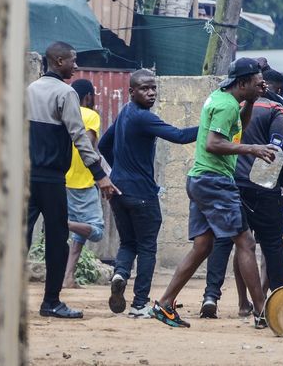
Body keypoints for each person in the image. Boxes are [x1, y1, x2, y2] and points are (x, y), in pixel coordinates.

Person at [151, 58, 276, 329]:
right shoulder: (224, 106)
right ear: (242, 83)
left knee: (203, 245)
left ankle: (165, 303)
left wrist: (252, 102)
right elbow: (213, 143)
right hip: (214, 181)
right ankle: (260, 311)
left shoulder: (226, 100)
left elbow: (237, 130)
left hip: (201, 180)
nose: (260, 87)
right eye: (256, 84)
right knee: (246, 243)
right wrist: (253, 149)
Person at [27, 41, 117, 319]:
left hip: (26, 177)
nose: (75, 66)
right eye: (72, 61)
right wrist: (101, 176)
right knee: (57, 241)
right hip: (53, 179)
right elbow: (80, 138)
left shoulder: (29, 90)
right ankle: (51, 302)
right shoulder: (66, 93)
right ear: (57, 61)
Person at [99, 69, 198, 318]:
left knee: (129, 242)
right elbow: (179, 136)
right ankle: (139, 304)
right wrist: (210, 125)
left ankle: (120, 274)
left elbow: (103, 145)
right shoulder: (143, 117)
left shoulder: (124, 112)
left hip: (119, 190)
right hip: (141, 192)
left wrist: (118, 171)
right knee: (146, 248)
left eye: (153, 87)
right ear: (132, 91)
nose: (151, 92)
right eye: (144, 88)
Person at [201, 69, 283, 319]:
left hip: (233, 184)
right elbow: (278, 147)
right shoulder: (277, 110)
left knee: (230, 242)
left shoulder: (237, 106)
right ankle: (278, 302)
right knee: (272, 245)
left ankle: (216, 297)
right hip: (263, 188)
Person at [62, 79, 106, 288]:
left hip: (63, 180)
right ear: (88, 96)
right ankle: (64, 224)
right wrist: (101, 175)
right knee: (96, 231)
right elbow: (87, 145)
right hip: (84, 181)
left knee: (79, 236)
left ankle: (68, 277)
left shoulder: (62, 113)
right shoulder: (91, 115)